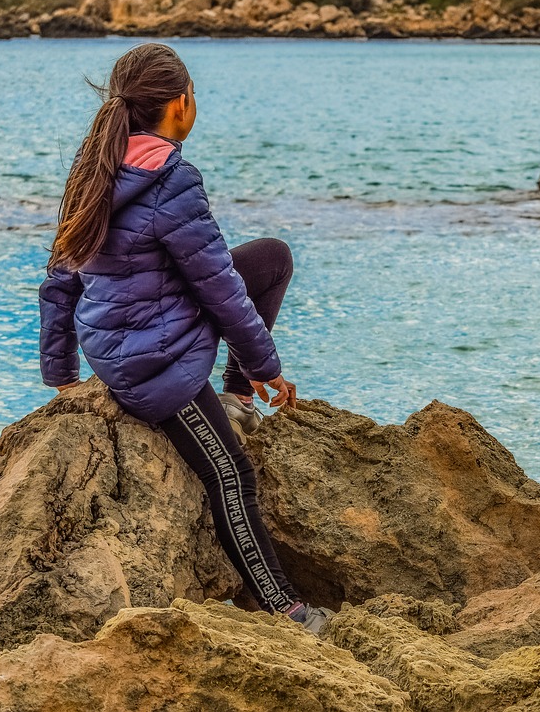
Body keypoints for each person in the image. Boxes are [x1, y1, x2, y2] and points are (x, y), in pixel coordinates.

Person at [37, 42, 333, 634]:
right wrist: (265, 366)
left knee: (270, 258)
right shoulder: (172, 179)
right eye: (192, 96)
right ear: (179, 105)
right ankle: (286, 609)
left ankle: (235, 397)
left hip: (123, 335)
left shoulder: (96, 163)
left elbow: (59, 278)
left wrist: (61, 372)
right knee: (231, 475)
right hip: (151, 364)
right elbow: (220, 291)